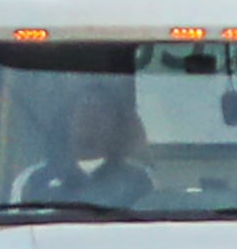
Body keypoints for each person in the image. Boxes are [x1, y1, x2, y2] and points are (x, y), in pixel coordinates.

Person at [12, 81, 155, 209]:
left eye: (101, 111)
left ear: (116, 125)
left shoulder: (140, 180)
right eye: (83, 110)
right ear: (67, 121)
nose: (90, 118)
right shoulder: (33, 179)